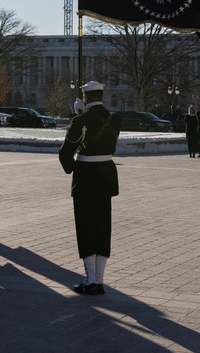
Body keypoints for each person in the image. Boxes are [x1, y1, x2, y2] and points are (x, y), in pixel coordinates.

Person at [59, 81, 120, 296]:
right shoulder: (114, 119)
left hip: (86, 176)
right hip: (106, 175)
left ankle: (90, 280)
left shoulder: (80, 120)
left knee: (86, 226)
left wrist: (74, 167)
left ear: (85, 98)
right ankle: (100, 280)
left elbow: (65, 153)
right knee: (103, 226)